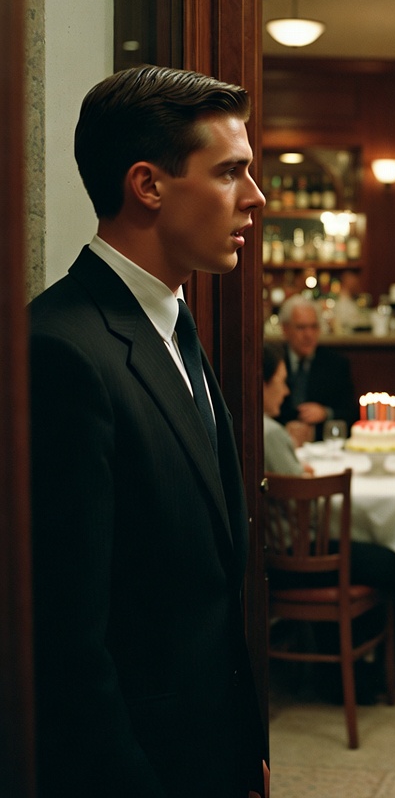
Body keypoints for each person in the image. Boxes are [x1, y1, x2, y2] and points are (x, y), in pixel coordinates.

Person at [28, 65, 268, 797]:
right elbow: (64, 641)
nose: (255, 197)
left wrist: (245, 746)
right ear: (148, 185)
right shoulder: (61, 350)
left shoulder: (172, 319)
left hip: (212, 747)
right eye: (229, 171)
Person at [276, 294, 355, 443]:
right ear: (285, 329)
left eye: (314, 327)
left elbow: (351, 413)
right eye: (301, 327)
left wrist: (325, 413)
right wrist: (285, 429)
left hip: (321, 445)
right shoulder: (273, 362)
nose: (309, 334)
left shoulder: (336, 364)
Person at [263, 340, 313, 475]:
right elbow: (297, 485)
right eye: (281, 382)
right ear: (262, 384)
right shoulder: (269, 432)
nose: (286, 391)